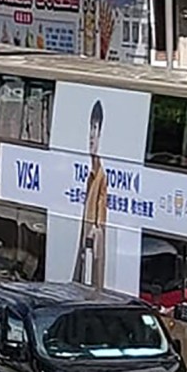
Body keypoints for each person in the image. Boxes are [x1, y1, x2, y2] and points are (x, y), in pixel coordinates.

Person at [73, 100, 108, 290]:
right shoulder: (90, 174)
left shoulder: (101, 176)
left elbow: (101, 212)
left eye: (95, 129)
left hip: (92, 247)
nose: (91, 136)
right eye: (90, 128)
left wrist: (95, 228)